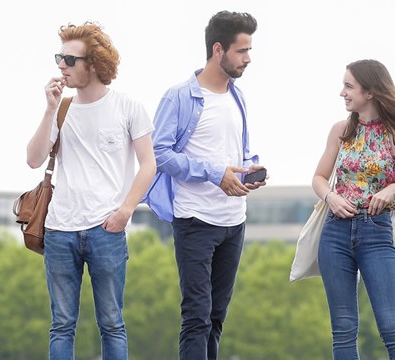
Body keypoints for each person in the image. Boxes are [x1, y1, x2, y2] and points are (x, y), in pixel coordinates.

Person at [24, 22, 156, 360]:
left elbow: (149, 165)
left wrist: (125, 211)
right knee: (61, 325)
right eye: (59, 58)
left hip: (106, 230)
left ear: (94, 64)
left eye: (69, 59)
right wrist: (50, 108)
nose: (61, 66)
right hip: (59, 230)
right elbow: (34, 159)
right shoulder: (62, 109)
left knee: (112, 323)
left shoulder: (127, 107)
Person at [143, 10, 262, 360]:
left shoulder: (237, 97)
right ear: (218, 49)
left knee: (216, 318)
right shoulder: (179, 96)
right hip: (195, 220)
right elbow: (157, 154)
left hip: (233, 221)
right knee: (196, 318)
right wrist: (214, 174)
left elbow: (236, 151)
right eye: (242, 51)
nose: (248, 59)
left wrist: (251, 168)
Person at [311, 59, 395, 360]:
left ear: (369, 92)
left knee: (392, 327)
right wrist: (331, 197)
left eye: (348, 86)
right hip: (335, 233)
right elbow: (318, 178)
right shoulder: (340, 131)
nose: (342, 92)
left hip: (376, 232)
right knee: (343, 330)